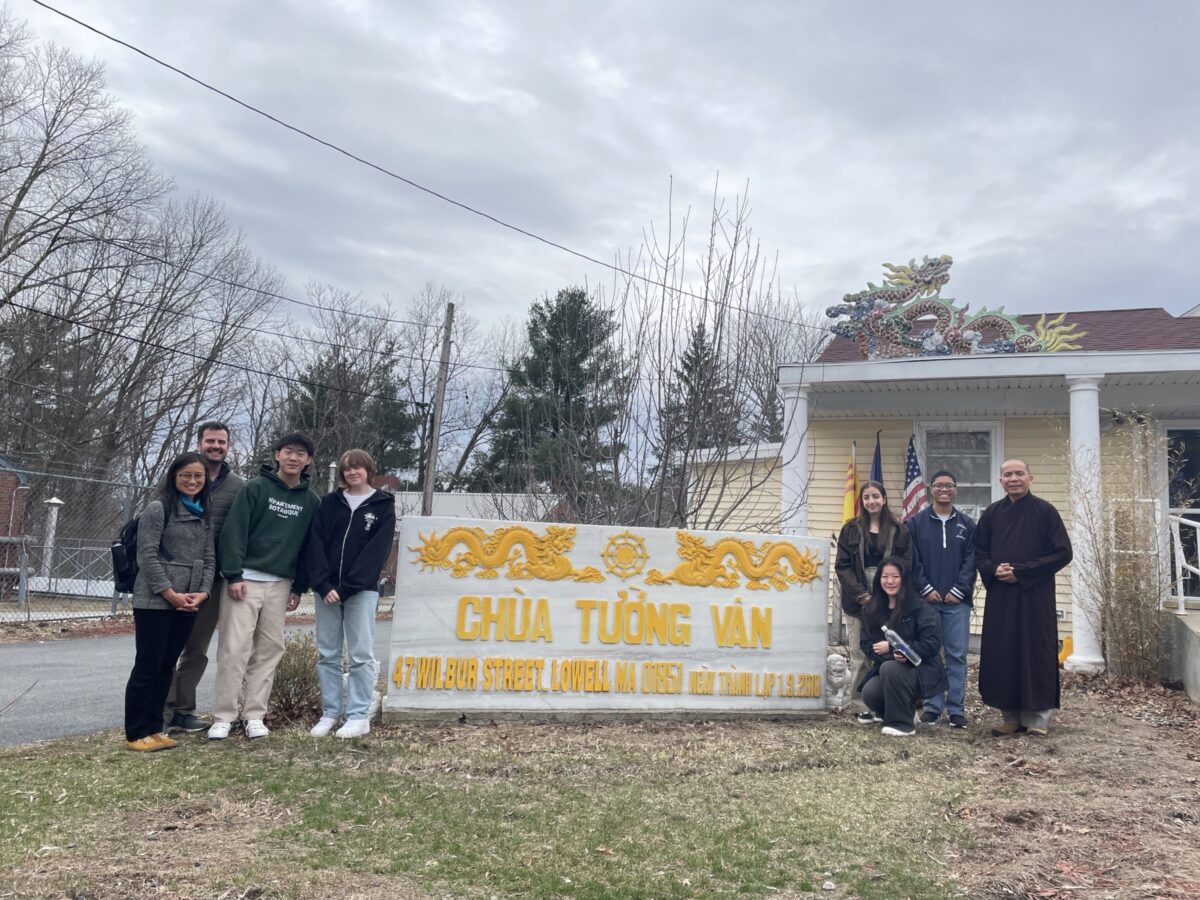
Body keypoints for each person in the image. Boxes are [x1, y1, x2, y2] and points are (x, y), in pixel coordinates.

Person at [208, 432, 320, 741]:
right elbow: (234, 532)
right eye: (288, 451)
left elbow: (308, 546)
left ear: (308, 460)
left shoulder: (311, 501)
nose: (293, 457)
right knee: (234, 648)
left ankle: (254, 715)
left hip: (281, 585)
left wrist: (299, 586)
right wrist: (233, 575)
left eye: (300, 453)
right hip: (244, 582)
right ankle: (224, 716)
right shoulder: (255, 489)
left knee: (270, 649)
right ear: (277, 455)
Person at [974, 458, 1073, 737]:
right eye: (1008, 474)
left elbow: (1062, 552)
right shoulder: (992, 513)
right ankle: (1010, 715)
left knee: (1035, 651)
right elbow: (979, 552)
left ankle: (1038, 718)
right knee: (1003, 652)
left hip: (1035, 595)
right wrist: (994, 569)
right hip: (1002, 597)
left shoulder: (1045, 512)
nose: (1014, 478)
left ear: (1031, 477)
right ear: (1000, 481)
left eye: (1019, 473)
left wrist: (1023, 572)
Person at [123, 453, 215, 752]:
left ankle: (155, 728)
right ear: (174, 477)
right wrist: (169, 593)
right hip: (154, 600)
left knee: (166, 666)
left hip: (188, 601)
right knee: (147, 666)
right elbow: (146, 555)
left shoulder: (204, 512)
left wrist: (202, 592)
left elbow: (210, 557)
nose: (192, 481)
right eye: (185, 475)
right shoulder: (157, 508)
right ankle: (136, 732)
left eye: (198, 476)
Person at [305, 449, 396, 739]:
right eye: (346, 469)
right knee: (327, 654)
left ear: (368, 470)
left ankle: (358, 716)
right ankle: (331, 712)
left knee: (360, 655)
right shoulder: (329, 503)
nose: (351, 473)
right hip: (326, 591)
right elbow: (315, 543)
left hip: (360, 592)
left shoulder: (382, 505)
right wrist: (323, 584)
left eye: (357, 468)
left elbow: (376, 552)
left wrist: (346, 588)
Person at [163, 421, 245, 733]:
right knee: (168, 646)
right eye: (210, 441)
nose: (215, 447)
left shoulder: (238, 486)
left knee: (196, 649)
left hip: (212, 581)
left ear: (228, 447)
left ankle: (184, 710)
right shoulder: (180, 477)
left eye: (221, 442)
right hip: (175, 577)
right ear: (199, 444)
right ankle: (164, 710)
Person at [835, 480, 913, 710]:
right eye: (867, 497)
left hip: (890, 599)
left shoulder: (899, 530)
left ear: (884, 499)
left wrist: (889, 594)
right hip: (857, 601)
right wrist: (861, 595)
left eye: (876, 496)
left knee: (888, 652)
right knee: (860, 654)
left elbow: (906, 565)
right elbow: (842, 566)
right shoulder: (850, 529)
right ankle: (861, 706)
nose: (872, 501)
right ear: (862, 501)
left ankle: (886, 703)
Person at [908, 470, 976, 729]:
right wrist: (925, 588)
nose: (944, 489)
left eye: (949, 485)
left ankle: (956, 709)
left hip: (956, 603)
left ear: (955, 490)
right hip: (927, 602)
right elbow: (913, 560)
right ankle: (932, 707)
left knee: (957, 655)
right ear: (931, 490)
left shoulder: (968, 525)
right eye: (938, 485)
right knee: (930, 655)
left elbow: (972, 560)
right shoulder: (916, 523)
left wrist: (959, 590)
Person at [858, 557, 947, 737]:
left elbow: (932, 643)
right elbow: (867, 644)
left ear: (904, 579)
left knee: (891, 669)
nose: (890, 581)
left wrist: (896, 650)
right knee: (870, 691)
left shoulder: (921, 608)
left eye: (895, 576)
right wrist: (891, 656)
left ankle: (903, 724)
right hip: (890, 669)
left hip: (922, 671)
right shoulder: (871, 608)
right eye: (885, 576)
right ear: (878, 579)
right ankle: (902, 712)